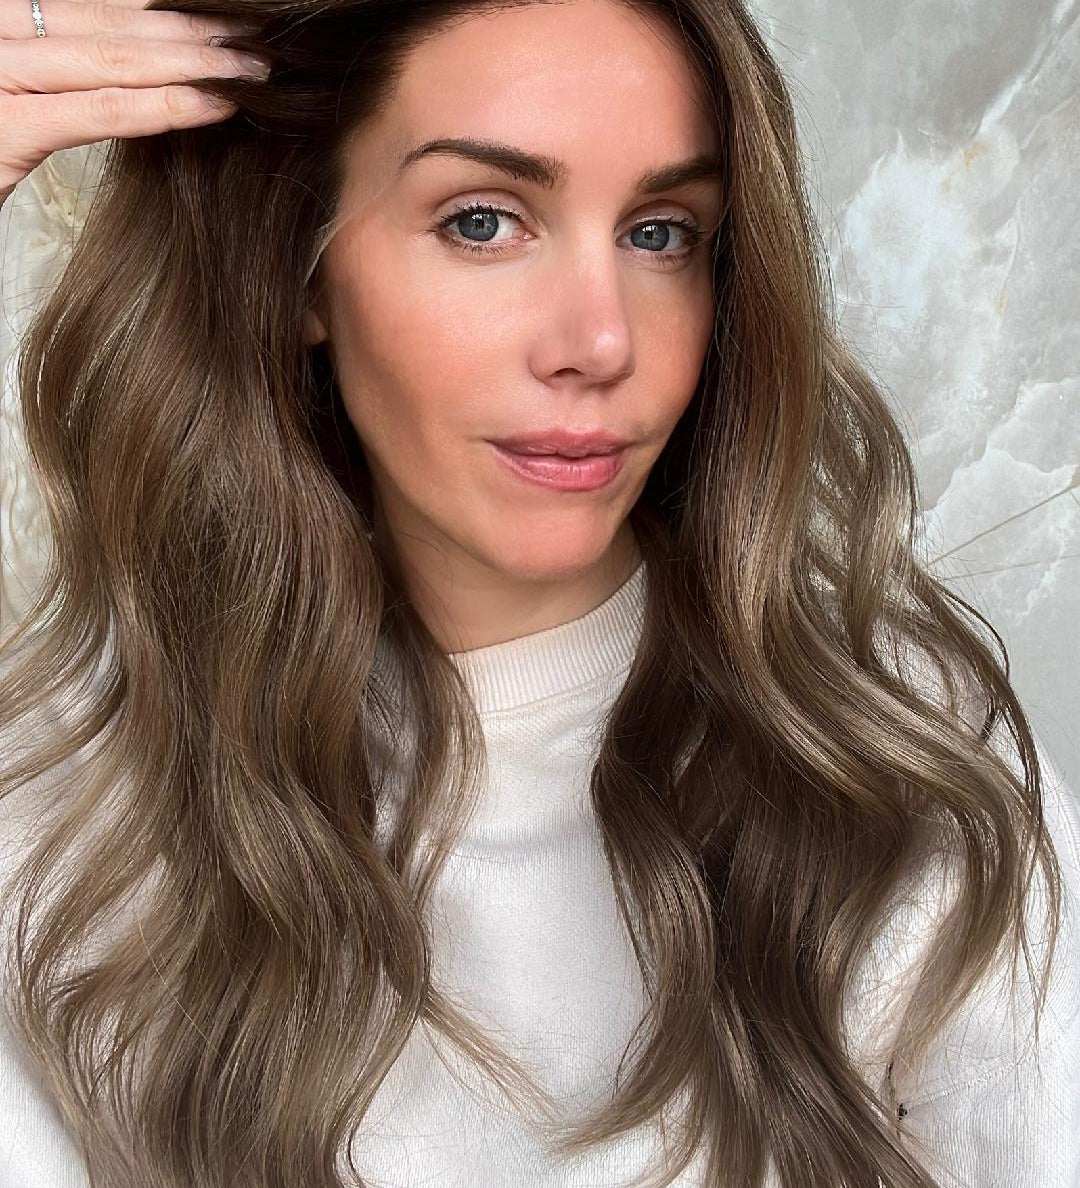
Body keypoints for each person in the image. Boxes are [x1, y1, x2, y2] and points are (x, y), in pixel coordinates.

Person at [0, 0, 1077, 1185]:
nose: (601, 341)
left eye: (661, 234)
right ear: (297, 266)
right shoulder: (67, 808)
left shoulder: (888, 762)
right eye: (482, 221)